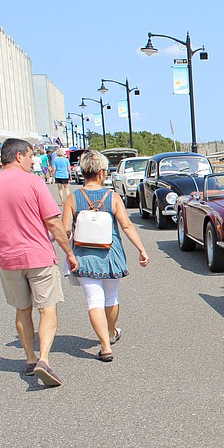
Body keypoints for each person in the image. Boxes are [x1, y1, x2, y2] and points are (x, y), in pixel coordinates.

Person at [0, 138, 78, 387]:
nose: (32, 160)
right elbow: (53, 222)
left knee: (22, 309)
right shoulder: (34, 182)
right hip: (38, 256)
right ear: (18, 157)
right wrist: (69, 252)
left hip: (7, 260)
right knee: (47, 308)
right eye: (30, 155)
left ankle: (29, 358)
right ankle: (44, 359)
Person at [62, 150, 149, 362]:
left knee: (94, 300)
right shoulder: (113, 197)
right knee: (111, 297)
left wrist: (67, 252)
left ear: (83, 172)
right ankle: (110, 334)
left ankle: (105, 346)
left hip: (83, 254)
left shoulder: (73, 198)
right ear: (101, 173)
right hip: (111, 253)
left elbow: (65, 230)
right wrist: (141, 249)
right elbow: (127, 226)